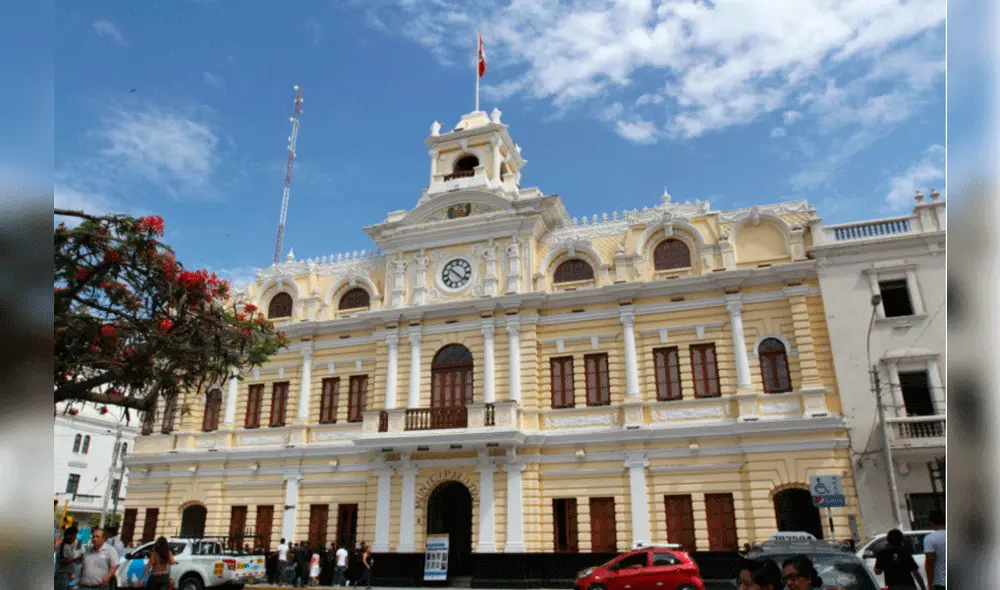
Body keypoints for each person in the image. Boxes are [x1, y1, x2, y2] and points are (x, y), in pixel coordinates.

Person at [924, 509, 947, 590]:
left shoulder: (929, 538)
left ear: (931, 522)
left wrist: (930, 583)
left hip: (940, 582)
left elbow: (929, 561)